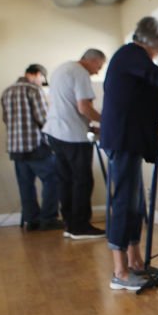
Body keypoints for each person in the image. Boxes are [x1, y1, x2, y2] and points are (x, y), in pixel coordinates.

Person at [100, 17, 158, 291]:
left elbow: (135, 98)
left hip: (127, 138)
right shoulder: (132, 54)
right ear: (155, 41)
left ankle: (135, 262)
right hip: (123, 140)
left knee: (134, 204)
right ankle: (119, 271)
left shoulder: (130, 57)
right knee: (123, 202)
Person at [44, 48, 106, 240]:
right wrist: (106, 122)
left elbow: (68, 105)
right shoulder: (80, 73)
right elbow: (83, 106)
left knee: (66, 180)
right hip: (72, 136)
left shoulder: (62, 69)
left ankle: (70, 224)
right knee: (82, 181)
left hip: (55, 132)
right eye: (99, 66)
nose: (97, 71)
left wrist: (89, 126)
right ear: (91, 60)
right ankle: (80, 227)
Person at [0, 64, 60, 231]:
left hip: (15, 146)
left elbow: (5, 118)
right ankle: (48, 219)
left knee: (26, 184)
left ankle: (31, 220)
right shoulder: (33, 90)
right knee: (53, 179)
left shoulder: (7, 91)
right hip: (35, 145)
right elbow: (43, 119)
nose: (42, 82)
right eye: (43, 79)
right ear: (36, 74)